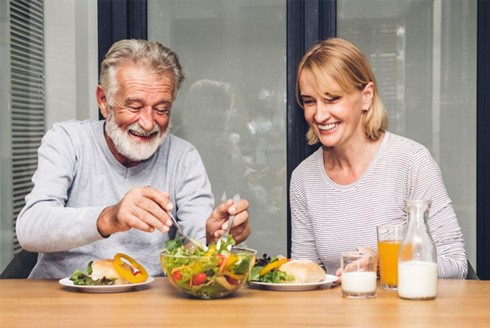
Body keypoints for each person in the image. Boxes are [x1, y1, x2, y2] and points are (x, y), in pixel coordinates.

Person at [15, 39, 251, 279]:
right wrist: (110, 217)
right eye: (135, 106)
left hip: (147, 303)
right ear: (104, 102)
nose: (148, 123)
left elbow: (196, 247)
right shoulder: (67, 140)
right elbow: (30, 228)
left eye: (161, 110)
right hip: (57, 300)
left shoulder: (183, 157)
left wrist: (212, 238)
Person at [290, 37, 467, 279]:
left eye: (332, 99)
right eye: (310, 101)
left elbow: (456, 265)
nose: (319, 115)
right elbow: (306, 275)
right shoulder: (303, 177)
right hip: (335, 315)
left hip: (405, 315)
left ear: (366, 96)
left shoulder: (412, 162)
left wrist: (383, 263)